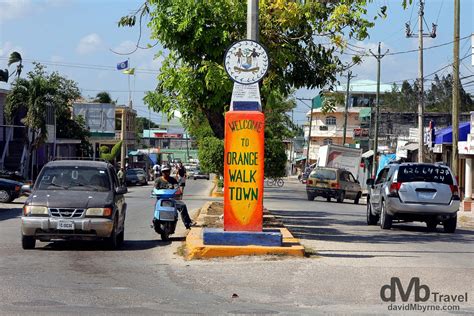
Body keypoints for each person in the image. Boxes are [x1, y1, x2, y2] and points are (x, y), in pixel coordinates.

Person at [154, 165, 194, 229]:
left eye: (167, 171)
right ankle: (155, 221)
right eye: (164, 171)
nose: (166, 173)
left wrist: (178, 192)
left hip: (171, 200)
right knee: (156, 207)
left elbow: (176, 187)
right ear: (162, 172)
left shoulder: (173, 180)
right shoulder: (158, 180)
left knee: (182, 206)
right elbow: (155, 189)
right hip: (161, 200)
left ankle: (187, 223)